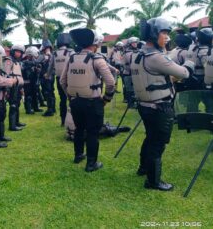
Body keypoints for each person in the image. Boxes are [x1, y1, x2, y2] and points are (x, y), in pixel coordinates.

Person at [130, 18, 194, 191]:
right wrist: (189, 62)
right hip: (159, 107)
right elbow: (184, 73)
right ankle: (153, 181)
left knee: (150, 138)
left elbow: (153, 77)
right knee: (157, 144)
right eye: (164, 33)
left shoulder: (139, 54)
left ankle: (143, 168)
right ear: (154, 34)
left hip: (145, 105)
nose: (167, 37)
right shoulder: (156, 57)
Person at [60, 28, 115, 172]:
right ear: (96, 43)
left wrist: (70, 96)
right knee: (92, 133)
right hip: (93, 102)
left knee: (79, 129)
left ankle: (78, 155)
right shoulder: (97, 59)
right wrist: (107, 98)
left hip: (75, 101)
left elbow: (62, 81)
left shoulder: (71, 58)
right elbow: (110, 82)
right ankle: (91, 164)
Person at [48, 33, 74, 125]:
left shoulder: (54, 53)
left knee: (62, 100)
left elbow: (50, 67)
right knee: (72, 99)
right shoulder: (71, 52)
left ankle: (63, 120)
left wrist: (47, 75)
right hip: (70, 79)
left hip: (59, 79)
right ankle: (73, 119)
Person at [4, 44, 26, 131]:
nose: (19, 54)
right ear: (13, 52)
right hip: (12, 86)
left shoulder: (17, 62)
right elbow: (6, 74)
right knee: (13, 105)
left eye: (20, 52)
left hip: (18, 86)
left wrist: (21, 88)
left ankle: (16, 122)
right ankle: (12, 125)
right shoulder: (9, 61)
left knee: (17, 104)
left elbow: (19, 75)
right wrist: (7, 89)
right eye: (17, 52)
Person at [21, 46, 41, 114]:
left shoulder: (35, 62)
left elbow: (38, 70)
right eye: (30, 55)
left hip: (34, 81)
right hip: (27, 81)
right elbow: (23, 71)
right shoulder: (24, 63)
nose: (30, 57)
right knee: (28, 95)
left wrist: (37, 70)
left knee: (35, 94)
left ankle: (36, 107)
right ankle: (28, 109)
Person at [39, 39, 56, 116]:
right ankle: (53, 108)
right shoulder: (53, 55)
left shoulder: (45, 56)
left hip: (46, 77)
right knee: (51, 92)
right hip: (51, 76)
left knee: (48, 93)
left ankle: (50, 110)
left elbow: (36, 62)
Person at [121, 36, 139, 107]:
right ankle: (130, 104)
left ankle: (134, 102)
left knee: (135, 88)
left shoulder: (136, 51)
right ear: (130, 44)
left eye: (136, 43)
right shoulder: (128, 52)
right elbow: (132, 62)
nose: (135, 44)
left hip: (134, 73)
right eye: (134, 43)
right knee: (129, 89)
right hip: (128, 73)